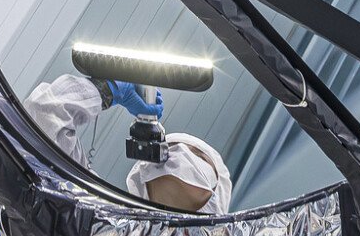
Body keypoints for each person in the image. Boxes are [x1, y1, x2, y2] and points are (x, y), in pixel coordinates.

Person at [25, 74, 233, 213]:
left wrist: (113, 90)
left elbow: (43, 114)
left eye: (198, 155)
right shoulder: (102, 215)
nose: (177, 155)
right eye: (171, 147)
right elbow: (43, 117)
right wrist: (107, 90)